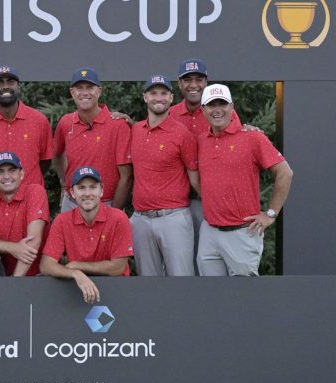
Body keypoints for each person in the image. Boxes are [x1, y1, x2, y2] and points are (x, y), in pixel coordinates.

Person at [196, 84, 293, 276]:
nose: (217, 110)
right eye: (211, 105)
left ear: (232, 106)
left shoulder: (253, 137)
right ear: (203, 110)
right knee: (209, 296)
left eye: (222, 104)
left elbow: (285, 173)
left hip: (242, 233)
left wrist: (270, 214)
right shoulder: (201, 140)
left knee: (244, 299)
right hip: (209, 232)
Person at [129, 75, 199, 277]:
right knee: (148, 283)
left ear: (170, 98)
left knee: (181, 281)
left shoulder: (182, 134)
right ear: (145, 97)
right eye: (153, 93)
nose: (158, 98)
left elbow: (194, 179)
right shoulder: (135, 130)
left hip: (174, 218)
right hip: (141, 219)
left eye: (163, 93)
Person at [40, 166, 134, 304]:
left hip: (116, 290)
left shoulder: (119, 218)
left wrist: (78, 266)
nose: (87, 193)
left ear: (101, 190)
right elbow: (46, 265)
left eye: (92, 187)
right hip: (78, 289)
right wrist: (75, 273)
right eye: (81, 188)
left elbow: (118, 268)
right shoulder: (62, 220)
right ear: (72, 192)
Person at [52, 68, 132, 212]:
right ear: (72, 92)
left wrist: (114, 213)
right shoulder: (66, 122)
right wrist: (64, 183)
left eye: (90, 87)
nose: (84, 93)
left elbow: (126, 177)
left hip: (106, 204)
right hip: (71, 203)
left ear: (99, 91)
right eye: (79, 88)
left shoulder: (118, 124)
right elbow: (57, 153)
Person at [0, 151, 50, 276]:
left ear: (22, 174)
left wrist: (15, 282)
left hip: (39, 277)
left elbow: (33, 242)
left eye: (12, 170)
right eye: (0, 172)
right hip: (3, 277)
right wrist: (13, 248)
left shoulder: (35, 191)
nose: (6, 176)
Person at [0, 66, 53, 187]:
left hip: (32, 197)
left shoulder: (39, 121)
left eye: (11, 82)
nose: (5, 86)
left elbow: (45, 161)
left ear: (18, 87)